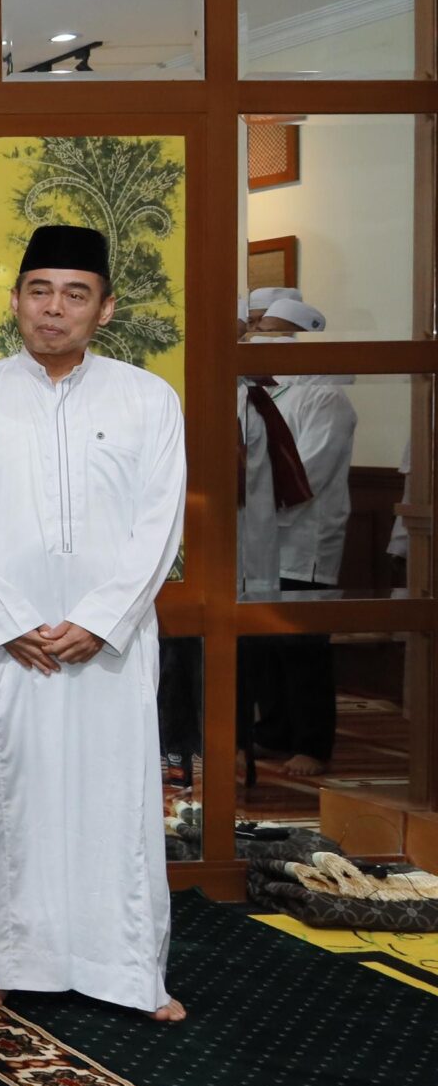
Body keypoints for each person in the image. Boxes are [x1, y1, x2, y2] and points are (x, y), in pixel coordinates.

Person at [0, 225, 187, 1021]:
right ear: (14, 300)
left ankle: (127, 970)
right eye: (39, 291)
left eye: (76, 294)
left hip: (108, 644)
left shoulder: (148, 399)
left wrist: (101, 620)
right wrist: (8, 620)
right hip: (1, 642)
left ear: (104, 309)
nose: (54, 308)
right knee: (4, 799)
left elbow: (160, 523)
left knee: (116, 801)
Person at [247, 297, 356, 777]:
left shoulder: (326, 397)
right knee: (266, 642)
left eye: (271, 331)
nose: (259, 338)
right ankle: (274, 733)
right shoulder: (267, 392)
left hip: (304, 541)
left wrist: (248, 497)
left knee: (303, 645)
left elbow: (308, 472)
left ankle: (312, 744)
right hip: (262, 538)